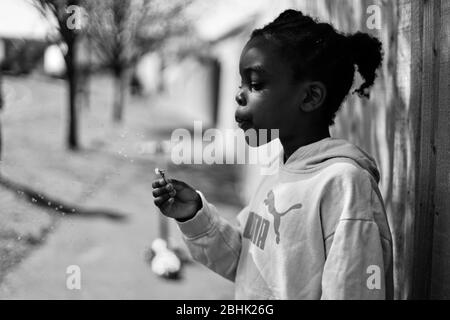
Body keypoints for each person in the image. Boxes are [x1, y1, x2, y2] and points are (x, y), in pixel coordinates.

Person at [151, 9, 393, 300]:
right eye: (242, 83)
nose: (239, 95)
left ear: (309, 97)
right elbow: (246, 262)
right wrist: (194, 215)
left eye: (255, 84)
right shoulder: (278, 170)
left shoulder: (344, 185)